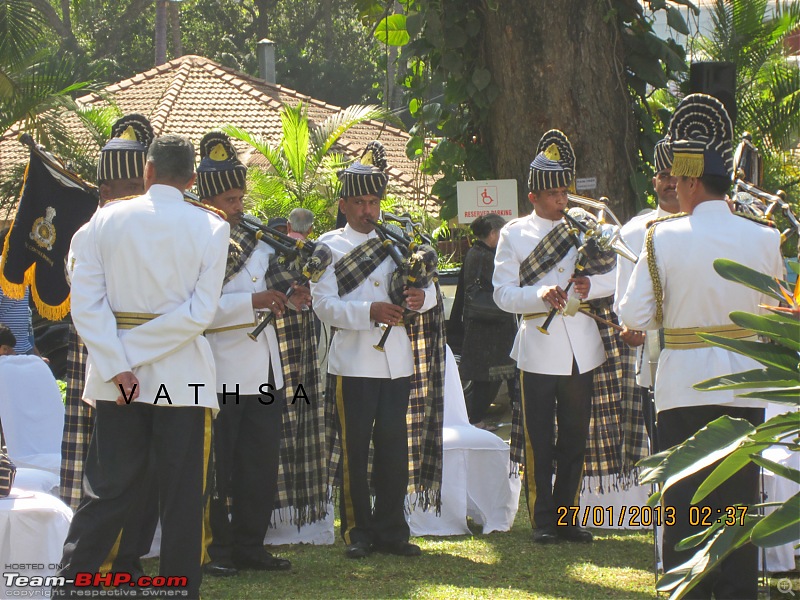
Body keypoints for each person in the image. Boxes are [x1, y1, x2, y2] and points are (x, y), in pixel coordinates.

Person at [620, 93, 784, 599]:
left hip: (681, 388)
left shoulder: (662, 237)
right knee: (736, 504)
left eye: (676, 179)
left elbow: (631, 316)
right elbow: (774, 312)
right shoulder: (764, 236)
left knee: (682, 504)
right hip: (742, 389)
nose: (673, 187)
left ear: (690, 180)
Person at [54, 134, 230, 599]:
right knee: (180, 498)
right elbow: (200, 314)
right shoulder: (211, 227)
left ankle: (71, 589)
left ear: (148, 170)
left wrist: (119, 360)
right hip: (180, 380)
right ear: (193, 179)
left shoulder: (103, 220)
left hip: (120, 384)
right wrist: (131, 355)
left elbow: (85, 305)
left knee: (106, 491)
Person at [311, 141, 440, 559]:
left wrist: (422, 299)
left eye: (374, 201)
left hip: (396, 362)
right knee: (355, 449)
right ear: (344, 203)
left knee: (392, 447)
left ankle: (391, 530)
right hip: (352, 362)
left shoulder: (399, 240)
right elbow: (323, 306)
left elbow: (430, 289)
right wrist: (371, 311)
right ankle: (356, 530)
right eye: (360, 202)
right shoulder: (327, 247)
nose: (369, 210)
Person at [492, 130, 616, 545]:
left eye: (564, 191)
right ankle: (543, 518)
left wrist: (587, 288)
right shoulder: (514, 234)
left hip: (582, 347)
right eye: (552, 194)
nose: (561, 199)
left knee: (576, 437)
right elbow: (503, 294)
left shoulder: (583, 226)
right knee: (539, 438)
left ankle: (567, 516)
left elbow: (614, 275)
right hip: (538, 348)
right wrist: (539, 293)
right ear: (533, 196)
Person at [197, 132, 299, 576]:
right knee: (218, 468)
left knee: (259, 464)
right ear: (208, 199)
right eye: (228, 198)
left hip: (264, 368)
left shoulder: (258, 238)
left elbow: (277, 284)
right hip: (217, 370)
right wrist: (252, 303)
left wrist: (294, 294)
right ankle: (217, 551)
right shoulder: (199, 239)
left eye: (240, 196)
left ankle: (251, 546)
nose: (237, 206)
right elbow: (196, 314)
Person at [61, 116, 158, 580]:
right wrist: (120, 367)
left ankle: (128, 562)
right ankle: (85, 569)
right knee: (112, 480)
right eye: (128, 189)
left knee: (143, 479)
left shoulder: (150, 231)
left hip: (155, 373)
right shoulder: (89, 234)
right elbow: (88, 312)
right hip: (110, 371)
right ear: (106, 191)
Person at [613, 137, 679, 447]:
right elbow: (622, 301)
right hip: (652, 364)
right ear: (654, 181)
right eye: (664, 175)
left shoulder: (702, 227)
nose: (671, 182)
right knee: (665, 454)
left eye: (677, 174)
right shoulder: (635, 231)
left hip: (699, 359)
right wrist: (630, 329)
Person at [454, 214, 516, 430]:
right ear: (493, 233)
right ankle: (476, 421)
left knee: (494, 377)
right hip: (489, 329)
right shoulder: (484, 256)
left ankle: (479, 420)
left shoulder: (477, 253)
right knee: (487, 380)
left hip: (488, 328)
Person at [0, 228, 35, 355]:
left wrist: (36, 353)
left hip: (24, 349)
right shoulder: (2, 270)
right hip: (7, 353)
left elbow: (25, 318)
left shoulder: (22, 270)